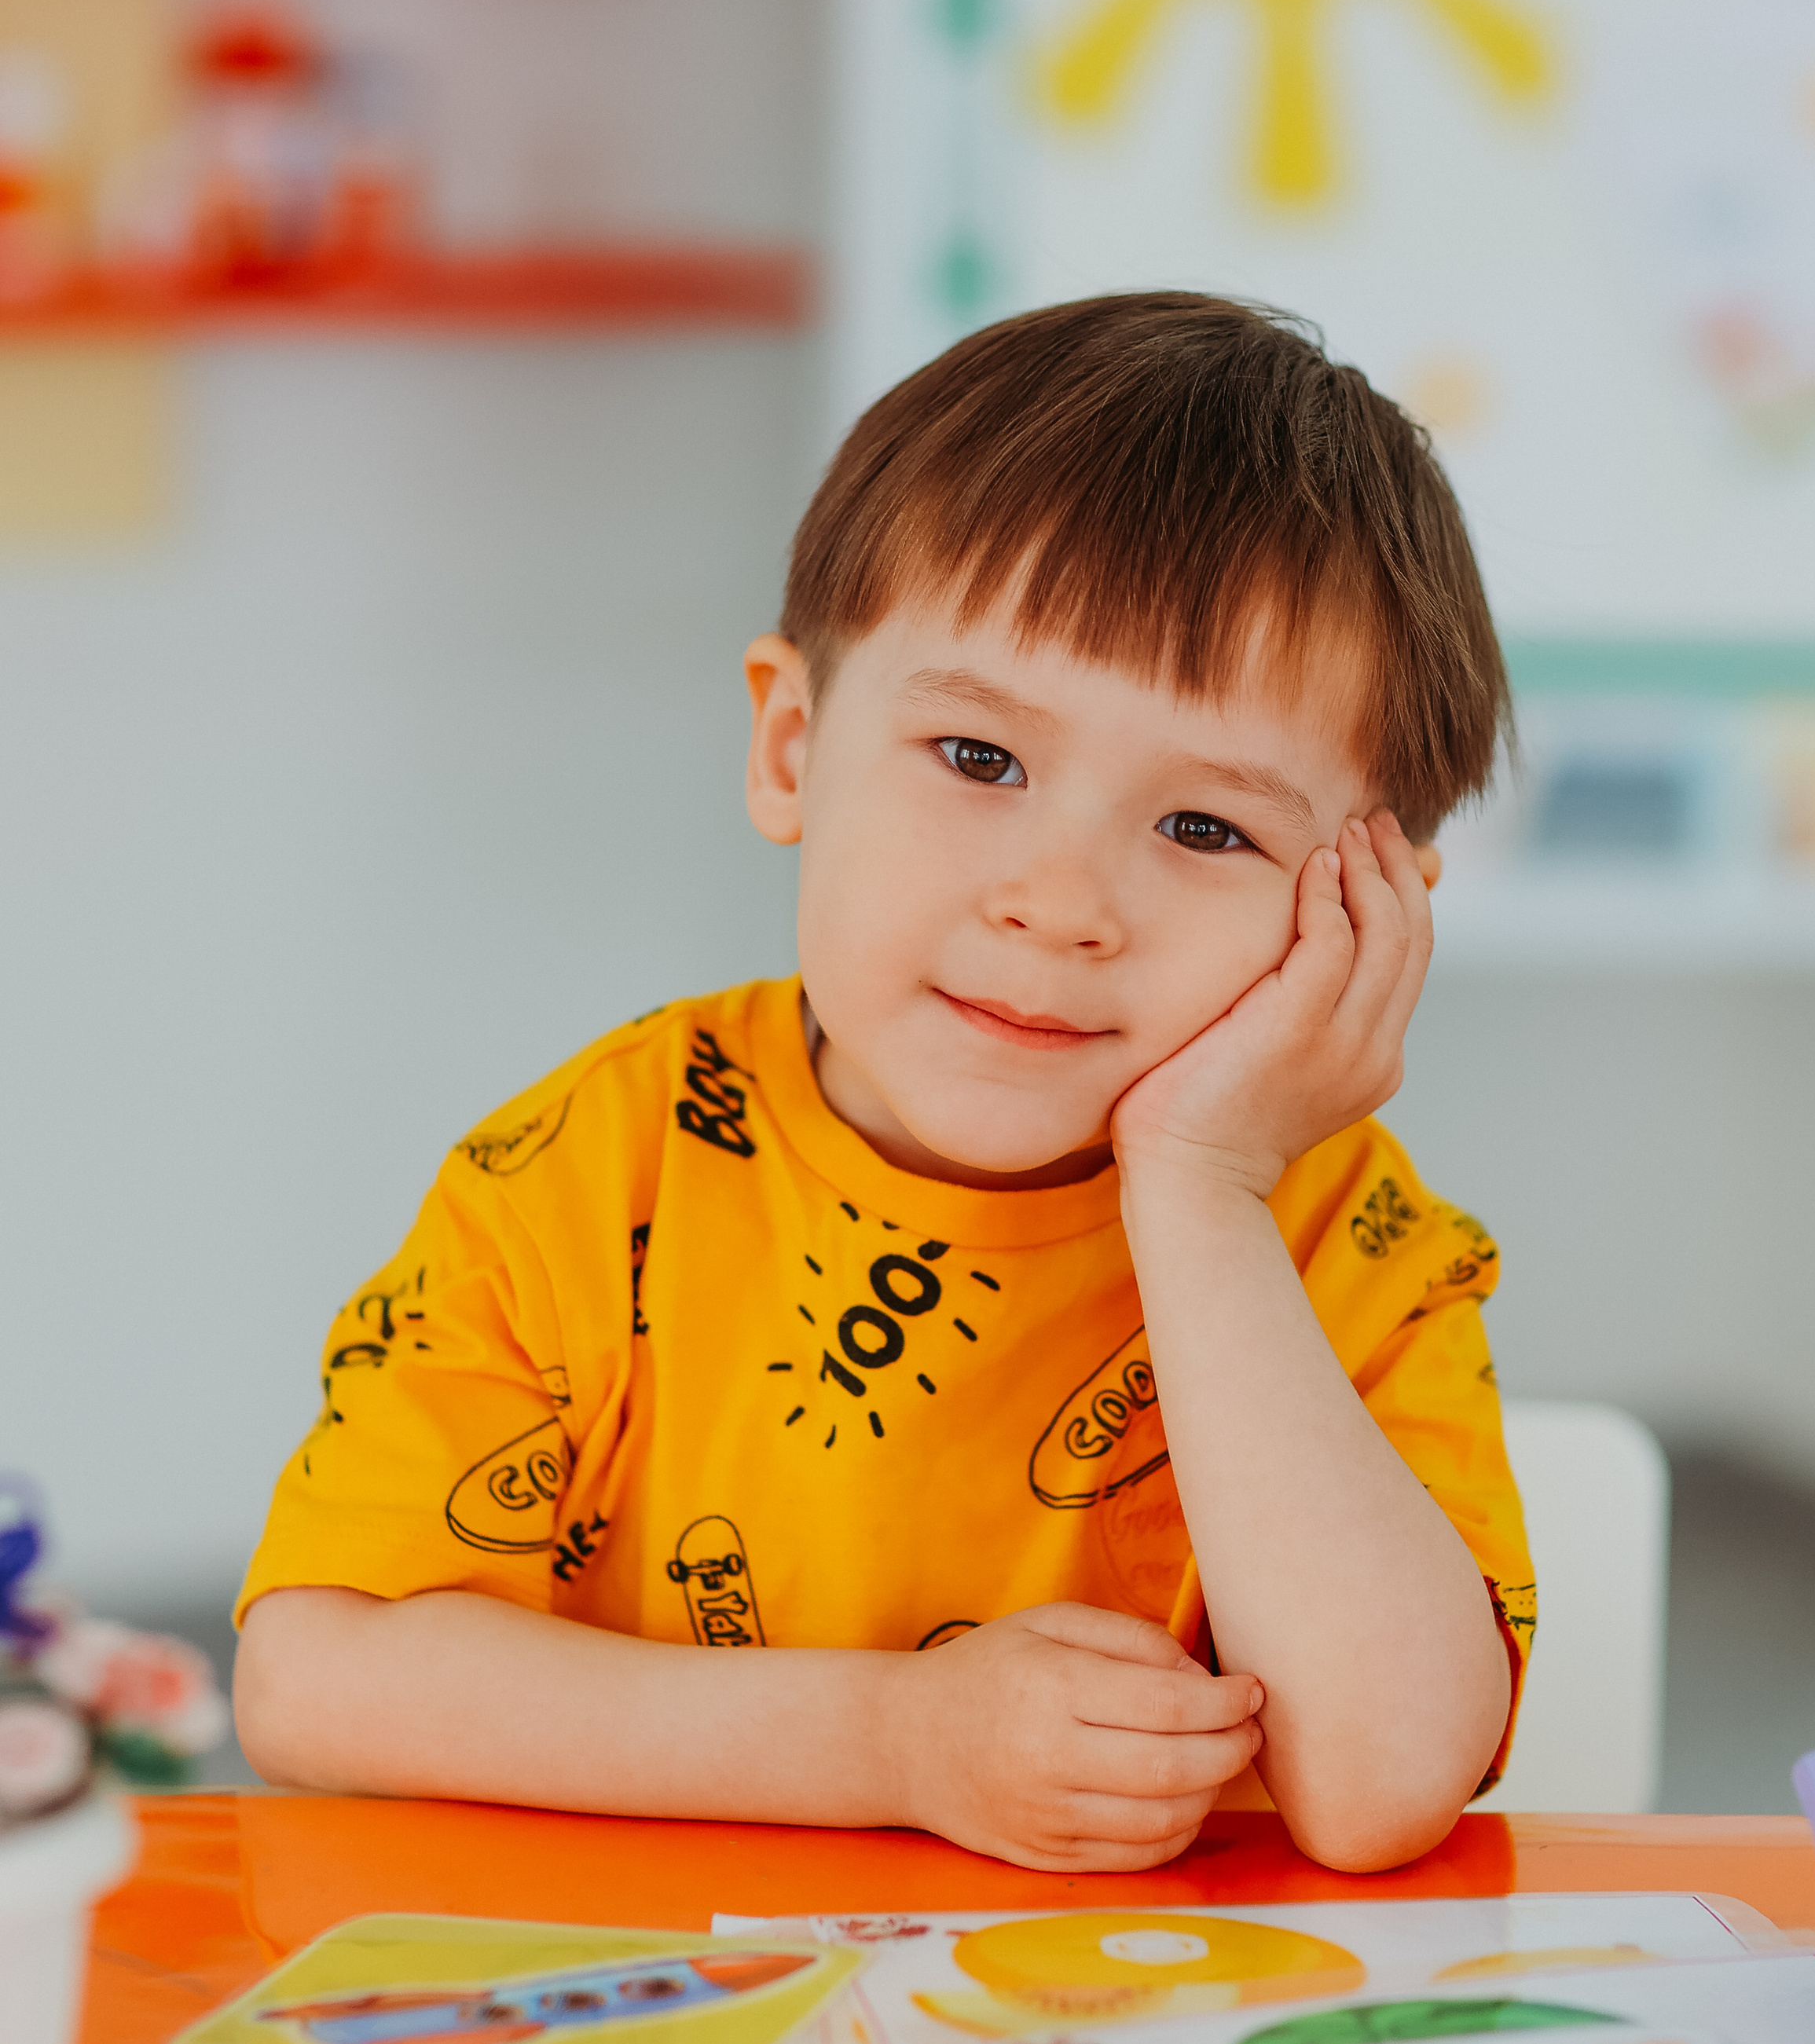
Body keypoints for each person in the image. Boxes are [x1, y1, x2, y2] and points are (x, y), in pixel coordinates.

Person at [234, 291, 1534, 1873]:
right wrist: (894, 1741)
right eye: (979, 760)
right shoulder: (593, 1167)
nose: (1058, 905)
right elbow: (312, 1679)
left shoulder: (1346, 1234)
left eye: (1205, 829)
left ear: (1363, 912)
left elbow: (1385, 1786)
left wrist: (1198, 1192)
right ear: (790, 745)